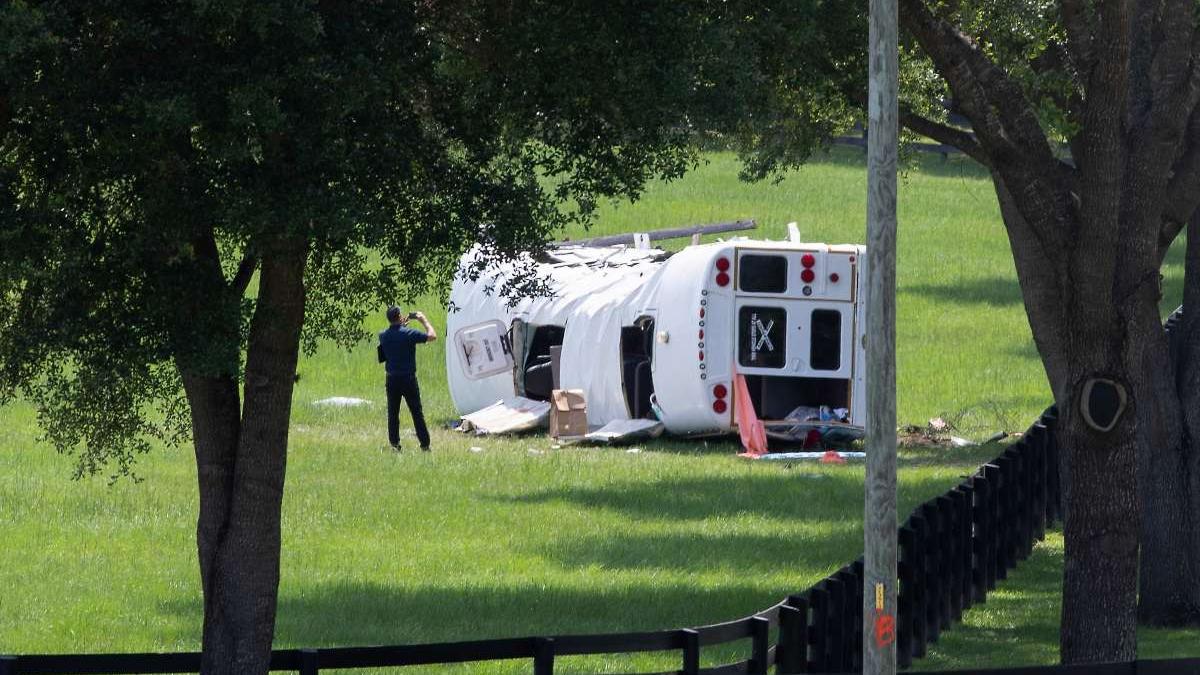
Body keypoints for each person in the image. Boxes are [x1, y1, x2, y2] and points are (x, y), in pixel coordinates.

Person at [377, 305, 437, 451]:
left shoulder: (383, 335)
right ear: (399, 316)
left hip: (391, 379)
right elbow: (432, 336)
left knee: (393, 412)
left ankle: (395, 444)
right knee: (416, 412)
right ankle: (424, 444)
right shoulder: (409, 333)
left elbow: (387, 348)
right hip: (408, 379)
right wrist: (423, 320)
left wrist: (400, 327)